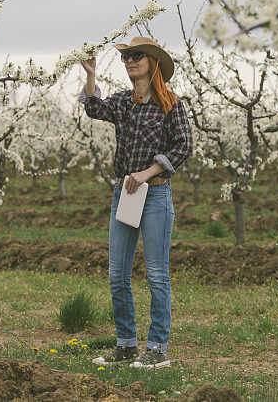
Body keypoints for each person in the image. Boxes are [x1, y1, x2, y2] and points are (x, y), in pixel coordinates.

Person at [79, 36, 193, 370]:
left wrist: (148, 172)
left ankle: (157, 349)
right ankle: (126, 345)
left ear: (153, 63)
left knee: (156, 274)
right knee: (118, 274)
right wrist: (90, 75)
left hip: (155, 193)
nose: (130, 60)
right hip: (125, 194)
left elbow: (184, 144)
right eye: (127, 56)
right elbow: (93, 108)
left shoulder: (170, 103)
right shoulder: (122, 102)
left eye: (137, 56)